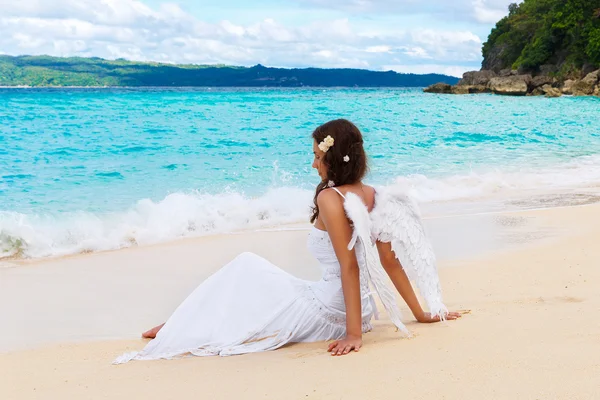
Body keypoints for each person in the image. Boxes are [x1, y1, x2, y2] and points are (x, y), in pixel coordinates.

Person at [113, 119, 460, 364]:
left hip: (333, 310)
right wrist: (420, 314)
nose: (313, 165)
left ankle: (181, 325)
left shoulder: (330, 197)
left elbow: (349, 264)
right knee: (255, 280)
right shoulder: (375, 194)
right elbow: (391, 262)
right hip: (361, 310)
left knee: (246, 267)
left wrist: (354, 335)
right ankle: (182, 322)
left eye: (316, 157)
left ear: (332, 158)